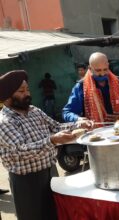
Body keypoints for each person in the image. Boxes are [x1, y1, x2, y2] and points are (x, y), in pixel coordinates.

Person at [0, 70, 92, 220]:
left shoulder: (34, 111)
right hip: (27, 182)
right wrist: (52, 140)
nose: (27, 94)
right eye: (21, 91)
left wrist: (78, 124)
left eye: (27, 89)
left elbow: (56, 127)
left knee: (55, 214)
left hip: (50, 172)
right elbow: (20, 150)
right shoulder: (5, 122)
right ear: (7, 97)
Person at [63, 52, 119, 123]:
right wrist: (78, 119)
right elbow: (67, 112)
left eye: (105, 69)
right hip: (96, 131)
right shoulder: (81, 86)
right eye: (98, 70)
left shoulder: (118, 82)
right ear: (90, 68)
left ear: (108, 66)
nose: (102, 74)